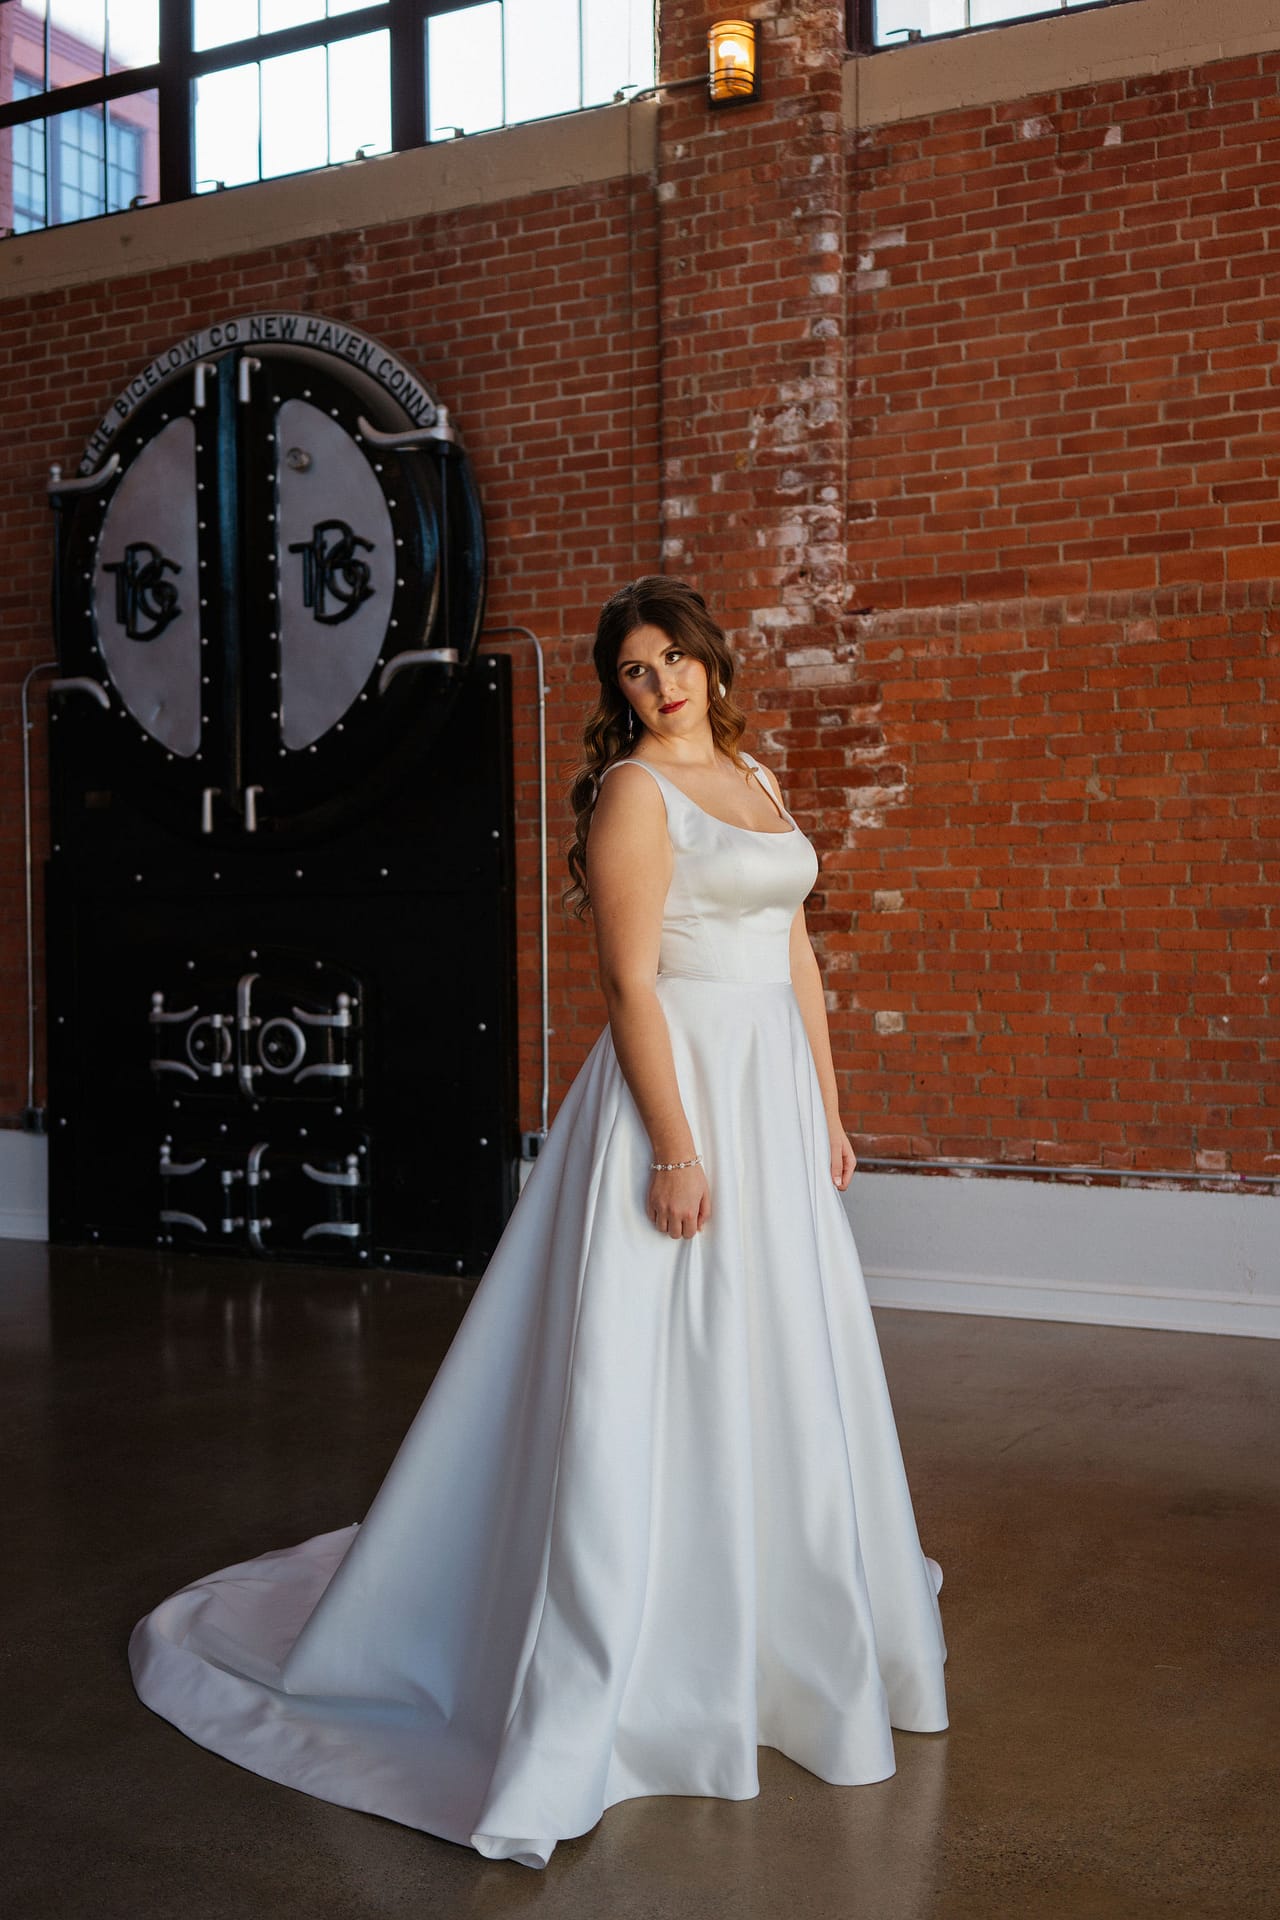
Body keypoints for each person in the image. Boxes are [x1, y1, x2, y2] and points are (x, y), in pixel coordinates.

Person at [128, 576, 948, 1870]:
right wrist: (677, 1149)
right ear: (617, 692)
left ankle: (772, 1613)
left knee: (777, 1355)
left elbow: (796, 959)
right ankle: (635, 1643)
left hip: (772, 1094)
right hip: (676, 1096)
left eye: (674, 658)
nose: (660, 682)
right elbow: (630, 985)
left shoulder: (757, 775)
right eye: (634, 669)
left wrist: (829, 1116)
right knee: (656, 1360)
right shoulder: (634, 796)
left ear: (711, 665)